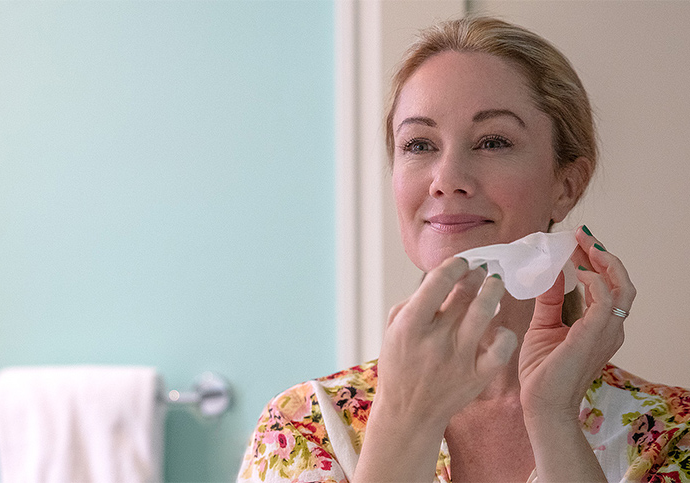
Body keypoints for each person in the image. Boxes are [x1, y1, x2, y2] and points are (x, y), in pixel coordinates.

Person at [237, 16, 690, 483]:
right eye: (418, 144)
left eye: (492, 142)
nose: (447, 179)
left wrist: (553, 416)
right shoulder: (303, 427)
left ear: (566, 184)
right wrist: (405, 420)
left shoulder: (672, 434)